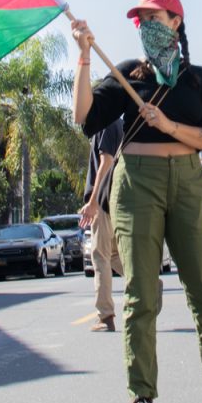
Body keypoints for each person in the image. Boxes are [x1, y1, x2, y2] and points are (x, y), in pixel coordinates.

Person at [71, 0, 202, 403]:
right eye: (141, 19)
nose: (147, 24)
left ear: (175, 22)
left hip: (189, 182)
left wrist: (169, 125)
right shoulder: (127, 76)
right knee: (141, 294)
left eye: (154, 16)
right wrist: (83, 58)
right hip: (137, 185)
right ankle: (141, 397)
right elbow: (84, 117)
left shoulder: (199, 80)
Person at [79, 117, 125, 332]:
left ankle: (105, 316)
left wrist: (93, 200)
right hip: (116, 199)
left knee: (100, 256)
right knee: (114, 255)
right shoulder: (119, 124)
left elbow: (106, 162)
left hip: (104, 200)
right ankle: (149, 284)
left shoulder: (106, 124)